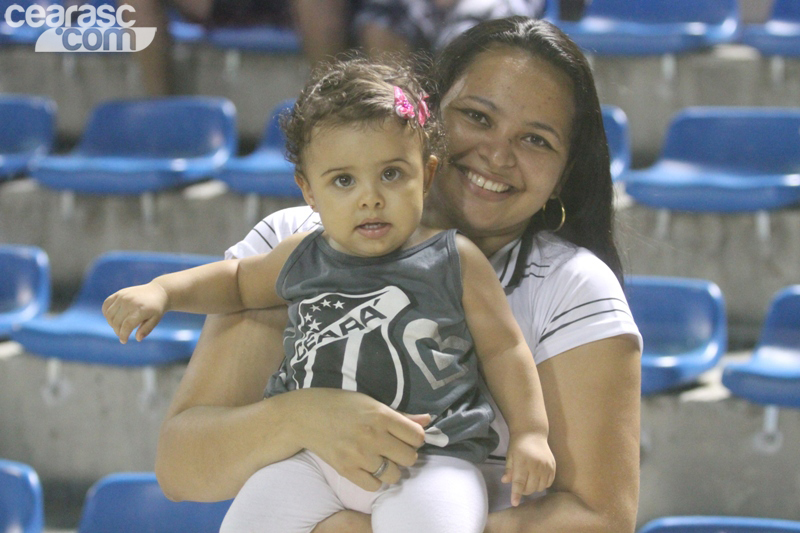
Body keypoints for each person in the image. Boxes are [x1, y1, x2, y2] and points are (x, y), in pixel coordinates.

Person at [153, 16, 643, 533]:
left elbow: (600, 519)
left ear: (565, 172)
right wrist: (304, 416)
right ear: (427, 119)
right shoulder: (294, 244)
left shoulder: (573, 286)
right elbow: (184, 467)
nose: (498, 154)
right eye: (477, 117)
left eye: (536, 141)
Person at [104, 57, 556, 532]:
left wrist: (531, 433)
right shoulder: (301, 254)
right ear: (309, 191)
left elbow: (506, 350)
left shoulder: (454, 259)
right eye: (344, 180)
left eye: (392, 174)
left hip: (431, 459)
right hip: (312, 460)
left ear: (426, 174)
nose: (370, 197)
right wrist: (162, 292)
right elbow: (236, 282)